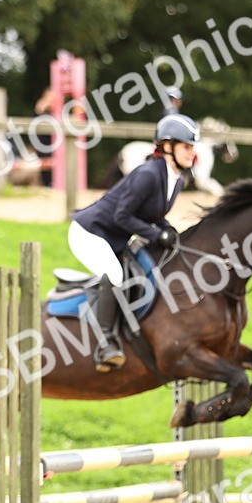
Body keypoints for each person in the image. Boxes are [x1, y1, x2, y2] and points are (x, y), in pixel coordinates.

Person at [68, 114, 199, 371]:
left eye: (192, 147)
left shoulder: (177, 180)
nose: (191, 153)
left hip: (113, 238)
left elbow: (154, 214)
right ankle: (106, 343)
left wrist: (168, 230)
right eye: (186, 146)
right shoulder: (148, 174)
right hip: (89, 233)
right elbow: (122, 215)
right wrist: (156, 235)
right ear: (167, 146)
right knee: (115, 274)